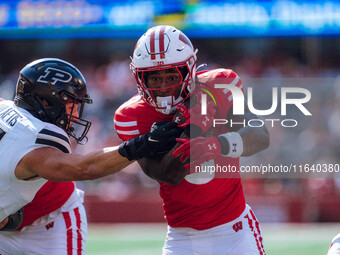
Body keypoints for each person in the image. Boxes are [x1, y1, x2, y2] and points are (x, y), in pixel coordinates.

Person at [0, 58, 182, 255]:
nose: (76, 116)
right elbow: (85, 168)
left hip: (52, 219)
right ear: (45, 101)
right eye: (72, 104)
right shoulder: (34, 139)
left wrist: (140, 145)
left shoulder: (29, 134)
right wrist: (143, 144)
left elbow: (83, 167)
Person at [114, 25, 270, 255]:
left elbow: (260, 136)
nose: (164, 86)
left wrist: (216, 144)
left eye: (171, 76)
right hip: (181, 238)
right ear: (140, 77)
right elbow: (166, 174)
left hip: (235, 231)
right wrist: (192, 128)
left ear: (188, 71)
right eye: (155, 78)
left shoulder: (220, 84)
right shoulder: (131, 115)